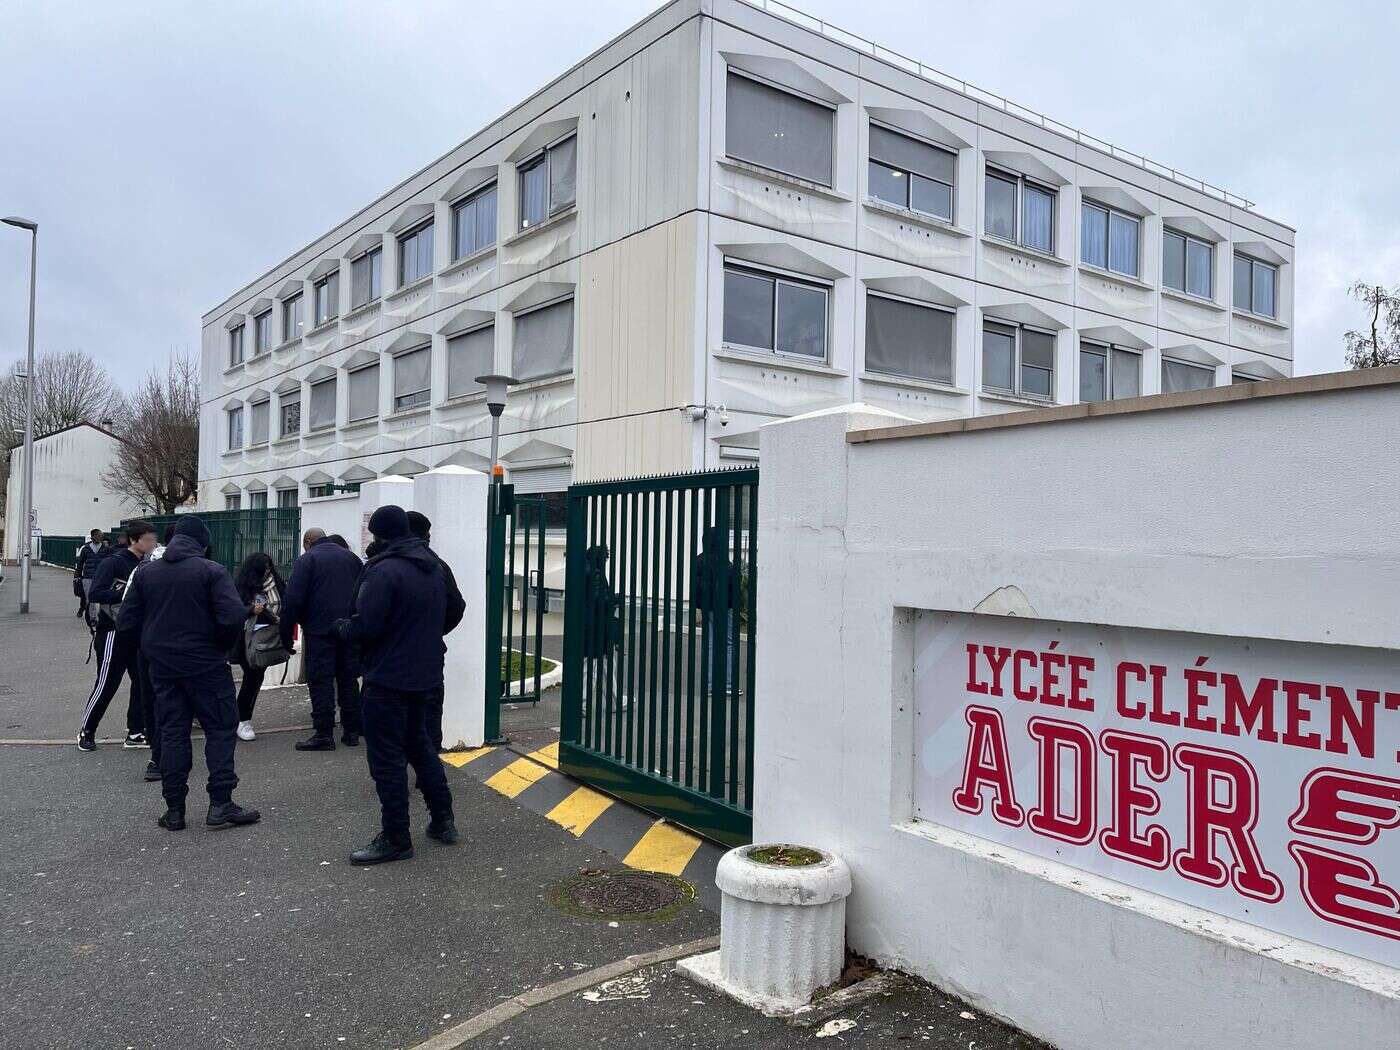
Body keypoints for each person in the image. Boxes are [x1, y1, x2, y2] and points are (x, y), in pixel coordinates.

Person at [335, 505, 463, 865]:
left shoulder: (383, 571)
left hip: (387, 678)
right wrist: (423, 636)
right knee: (421, 747)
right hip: (425, 673)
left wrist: (341, 629)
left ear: (377, 534)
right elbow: (455, 609)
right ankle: (443, 821)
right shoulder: (434, 566)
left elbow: (367, 626)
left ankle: (395, 837)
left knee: (387, 760)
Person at [118, 515, 260, 831]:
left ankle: (174, 810)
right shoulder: (211, 571)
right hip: (207, 665)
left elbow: (126, 622)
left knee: (172, 733)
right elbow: (232, 618)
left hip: (164, 668)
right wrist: (218, 648)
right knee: (221, 729)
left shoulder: (146, 573)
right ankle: (221, 803)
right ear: (203, 543)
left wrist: (153, 646)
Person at [280, 527, 364, 751]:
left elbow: (293, 599)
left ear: (308, 541)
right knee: (348, 680)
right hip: (349, 630)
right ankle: (351, 731)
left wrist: (286, 633)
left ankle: (324, 733)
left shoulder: (307, 560)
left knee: (321, 681)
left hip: (319, 632)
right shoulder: (352, 558)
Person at [79, 522, 156, 752]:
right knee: (107, 683)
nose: (152, 543)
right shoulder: (114, 562)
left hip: (137, 633)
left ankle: (136, 732)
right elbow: (95, 593)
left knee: (141, 683)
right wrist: (126, 591)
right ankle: (87, 730)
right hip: (113, 631)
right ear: (134, 540)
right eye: (148, 539)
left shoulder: (148, 564)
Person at [124, 523, 174, 782]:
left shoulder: (141, 571)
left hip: (149, 647)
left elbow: (127, 616)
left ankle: (157, 757)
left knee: (152, 701)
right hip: (187, 650)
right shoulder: (203, 570)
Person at [405, 511, 457, 752]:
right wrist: (435, 631)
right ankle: (430, 766)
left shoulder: (384, 565)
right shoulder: (438, 565)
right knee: (430, 711)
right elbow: (457, 605)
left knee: (395, 717)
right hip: (430, 653)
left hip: (391, 658)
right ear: (425, 534)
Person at [230, 552, 286, 741]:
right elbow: (234, 610)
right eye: (264, 569)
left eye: (270, 568)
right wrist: (250, 610)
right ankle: (242, 719)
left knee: (255, 678)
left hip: (270, 635)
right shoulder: (243, 585)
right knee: (252, 677)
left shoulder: (276, 582)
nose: (268, 572)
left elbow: (284, 600)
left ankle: (240, 718)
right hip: (248, 637)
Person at [74, 529, 108, 620]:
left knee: (103, 598)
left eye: (101, 535)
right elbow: (80, 563)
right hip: (88, 576)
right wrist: (77, 575)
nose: (100, 537)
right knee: (90, 598)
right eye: (98, 535)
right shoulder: (86, 549)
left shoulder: (105, 549)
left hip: (101, 577)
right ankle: (92, 618)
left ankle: (102, 616)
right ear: (92, 537)